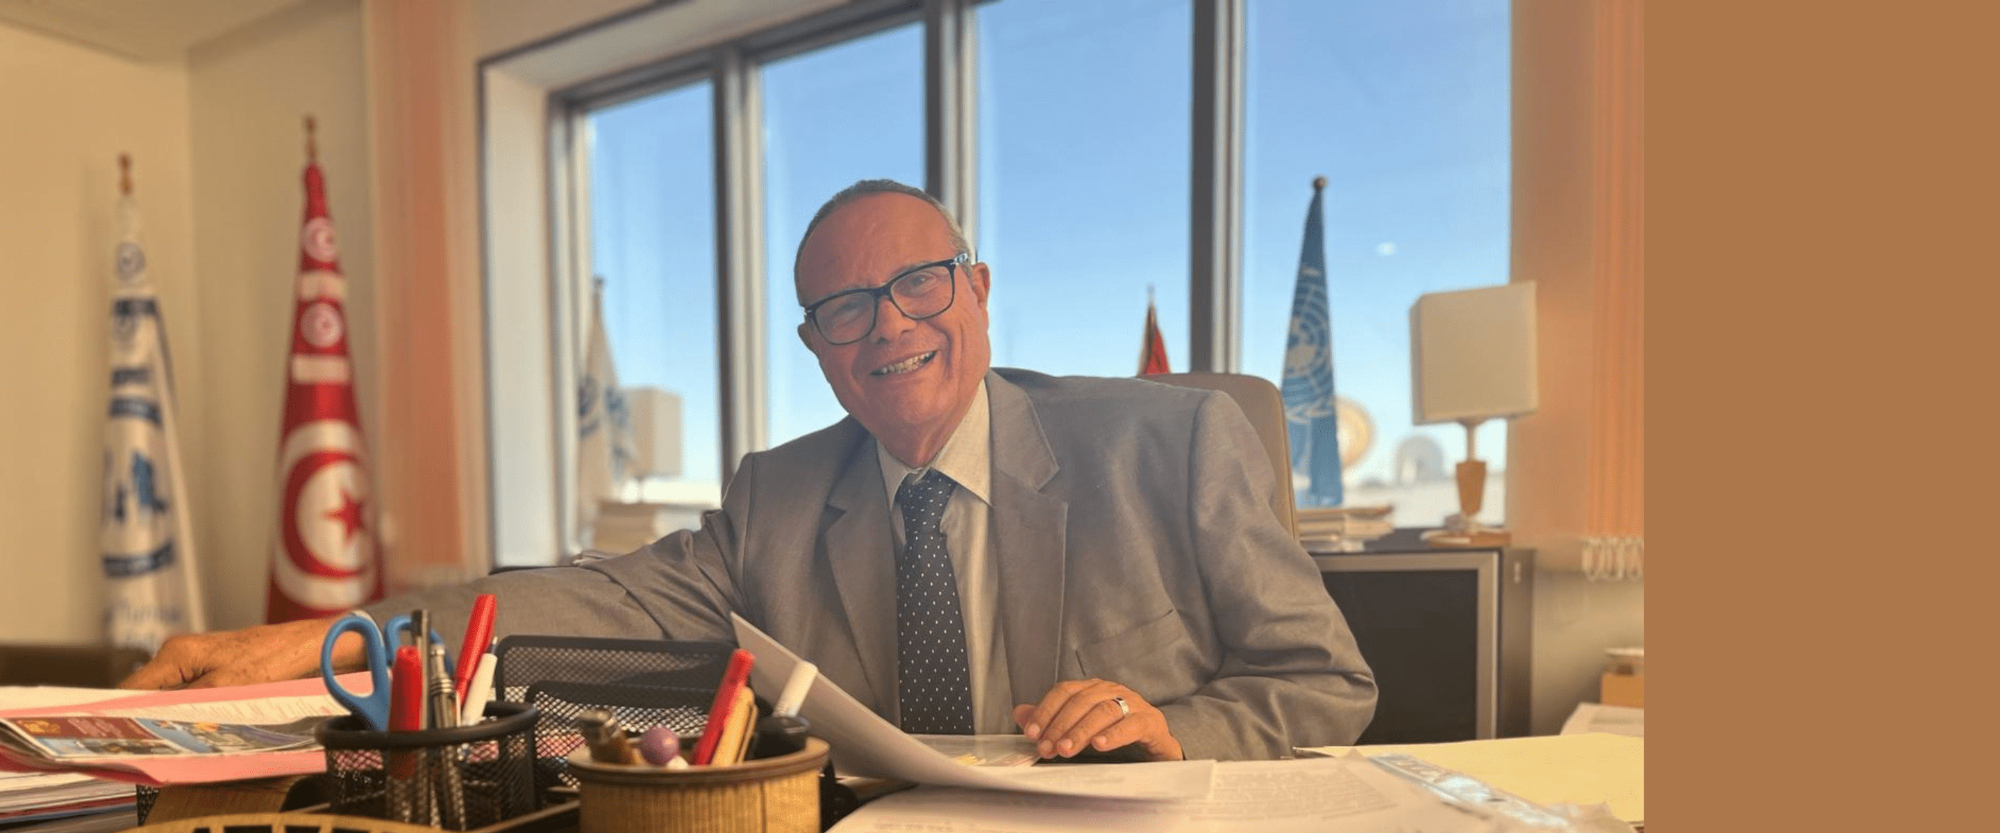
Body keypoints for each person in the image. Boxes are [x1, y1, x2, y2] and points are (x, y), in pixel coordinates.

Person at [122, 179, 1376, 761]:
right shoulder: (778, 496)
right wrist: (328, 638)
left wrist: (1177, 729)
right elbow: (592, 596)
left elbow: (1323, 680)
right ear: (815, 347)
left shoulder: (1172, 439)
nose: (887, 326)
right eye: (844, 309)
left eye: (918, 284)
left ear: (978, 290)